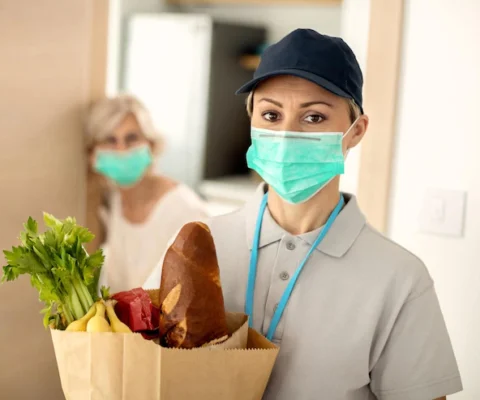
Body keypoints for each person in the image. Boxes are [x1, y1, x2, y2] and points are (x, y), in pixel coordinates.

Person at [144, 29, 462, 399]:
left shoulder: (398, 278)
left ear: (356, 131)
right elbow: (138, 362)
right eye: (271, 114)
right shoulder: (197, 247)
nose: (286, 134)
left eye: (313, 118)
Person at [84, 94, 208, 293]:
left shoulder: (185, 211)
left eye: (131, 138)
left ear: (151, 145)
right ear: (93, 155)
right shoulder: (113, 201)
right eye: (110, 140)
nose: (121, 149)